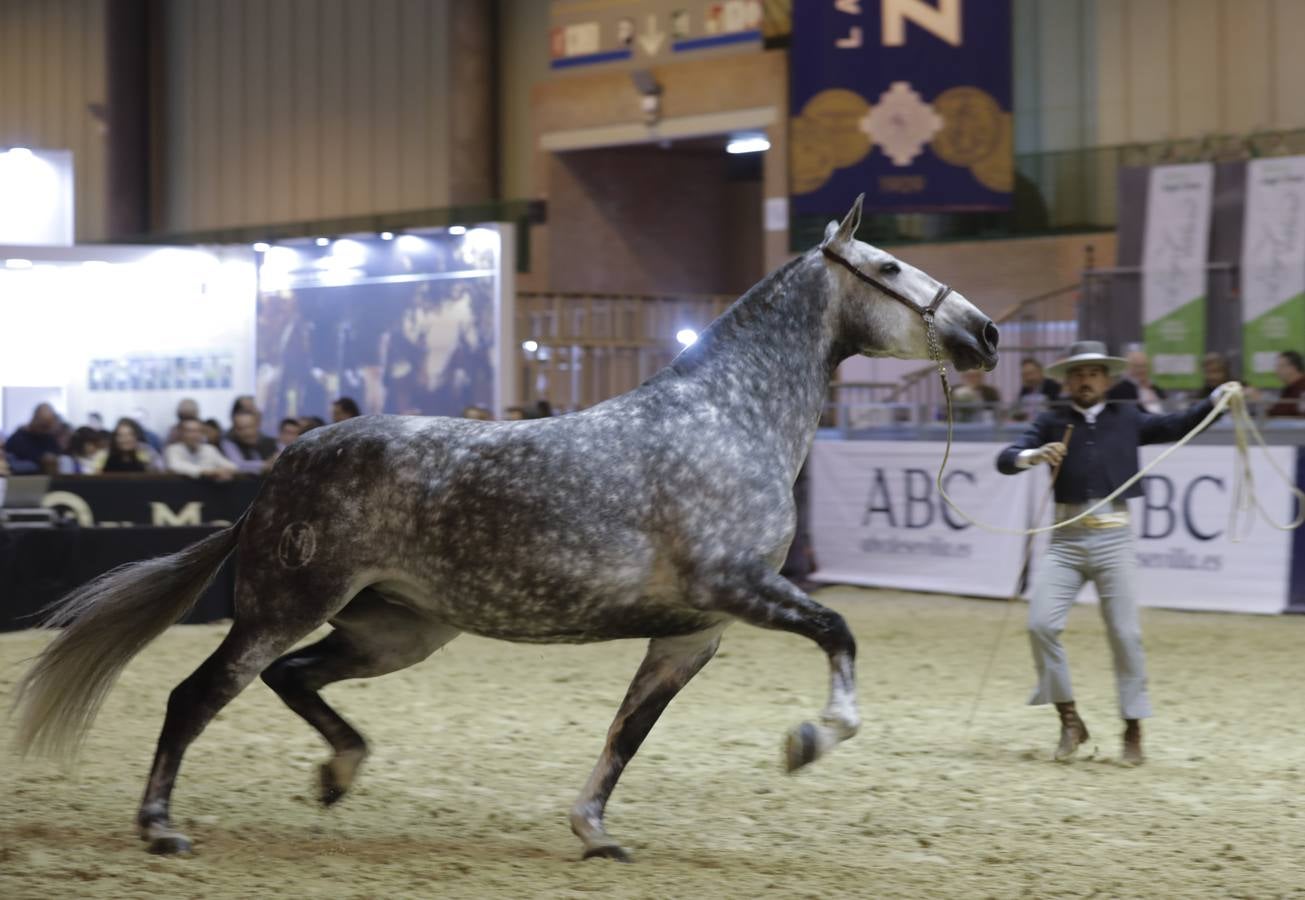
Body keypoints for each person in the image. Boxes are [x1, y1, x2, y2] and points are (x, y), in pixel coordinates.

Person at [996, 340, 1228, 766]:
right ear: (1068, 381)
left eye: (1094, 373)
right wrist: (1033, 456)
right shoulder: (1050, 421)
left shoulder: (1127, 417)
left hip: (1113, 539)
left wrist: (1217, 399)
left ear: (1107, 379)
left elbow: (1178, 424)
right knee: (1040, 625)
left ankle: (1133, 726)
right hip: (1064, 540)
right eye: (1079, 374)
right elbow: (1005, 458)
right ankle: (1070, 719)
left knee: (1126, 634)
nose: (1086, 381)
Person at [165, 418, 237, 480]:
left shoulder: (210, 449)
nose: (194, 435)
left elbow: (232, 466)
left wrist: (224, 472)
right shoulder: (172, 449)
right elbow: (174, 466)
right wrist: (207, 472)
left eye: (198, 431)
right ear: (182, 433)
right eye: (190, 431)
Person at [4, 403, 63, 474]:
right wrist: (42, 459)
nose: (45, 430)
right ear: (34, 419)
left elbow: (57, 456)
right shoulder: (17, 438)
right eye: (43, 426)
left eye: (48, 426)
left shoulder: (49, 437)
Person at [92, 418, 164, 473]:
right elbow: (94, 477)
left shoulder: (147, 451)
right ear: (115, 438)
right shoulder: (104, 454)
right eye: (121, 435)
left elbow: (161, 472)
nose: (125, 439)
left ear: (136, 436)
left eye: (130, 435)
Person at [1107, 349, 1167, 414]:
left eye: (1144, 366)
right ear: (1128, 368)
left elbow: (1168, 405)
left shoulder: (1154, 387)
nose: (1142, 370)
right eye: (1137, 366)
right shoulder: (1119, 390)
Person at [221, 410, 278, 474]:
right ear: (234, 429)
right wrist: (265, 465)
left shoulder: (270, 442)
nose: (247, 432)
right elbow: (237, 465)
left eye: (250, 427)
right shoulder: (229, 443)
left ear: (258, 425)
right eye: (241, 429)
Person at [1266, 350, 1305, 417]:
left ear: (1292, 367)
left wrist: (1263, 401)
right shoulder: (1290, 388)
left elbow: (1292, 414)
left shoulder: (1302, 388)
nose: (1277, 370)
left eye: (1281, 366)